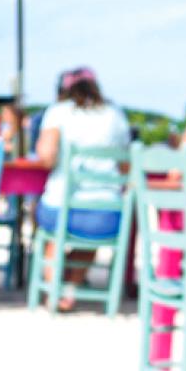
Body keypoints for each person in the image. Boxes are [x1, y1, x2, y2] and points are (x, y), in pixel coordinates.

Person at [33, 67, 131, 306]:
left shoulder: (58, 112)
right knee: (94, 231)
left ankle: (54, 290)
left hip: (62, 209)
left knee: (52, 230)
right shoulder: (115, 114)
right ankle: (69, 285)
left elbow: (46, 157)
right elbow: (126, 166)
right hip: (106, 215)